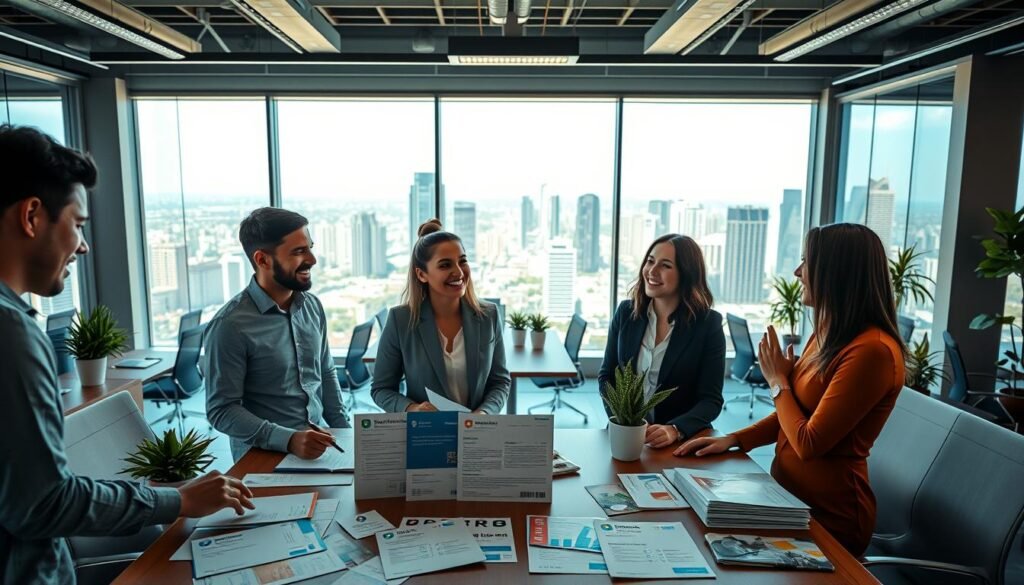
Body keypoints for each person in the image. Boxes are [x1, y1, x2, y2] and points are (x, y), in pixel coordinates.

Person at [0, 124, 254, 585]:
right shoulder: (11, 330)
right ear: (32, 216)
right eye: (78, 225)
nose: (83, 245)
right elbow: (42, 503)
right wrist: (179, 499)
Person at [675, 223, 906, 556]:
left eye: (806, 262)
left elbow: (809, 442)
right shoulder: (827, 335)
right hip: (787, 499)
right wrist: (735, 439)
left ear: (836, 272)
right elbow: (794, 413)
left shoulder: (873, 351)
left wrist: (777, 381)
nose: (798, 272)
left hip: (830, 518)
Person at [205, 207, 350, 461]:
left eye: (310, 248)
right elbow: (222, 410)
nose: (312, 259)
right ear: (262, 260)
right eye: (299, 251)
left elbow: (325, 372)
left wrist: (347, 435)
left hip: (318, 448)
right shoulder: (230, 325)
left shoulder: (312, 306)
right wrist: (289, 440)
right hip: (262, 457)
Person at [599, 234, 725, 448]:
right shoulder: (626, 313)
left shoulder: (707, 324)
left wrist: (676, 429)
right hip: (625, 437)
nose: (652, 271)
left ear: (686, 274)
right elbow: (607, 376)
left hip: (678, 443)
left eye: (665, 265)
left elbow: (710, 400)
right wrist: (624, 421)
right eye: (650, 261)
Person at [372, 219, 510, 413]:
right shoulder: (401, 320)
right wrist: (412, 408)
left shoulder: (489, 316)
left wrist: (484, 413)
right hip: (426, 428)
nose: (459, 272)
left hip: (476, 429)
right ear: (422, 275)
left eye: (462, 261)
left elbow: (500, 382)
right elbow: (381, 389)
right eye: (445, 265)